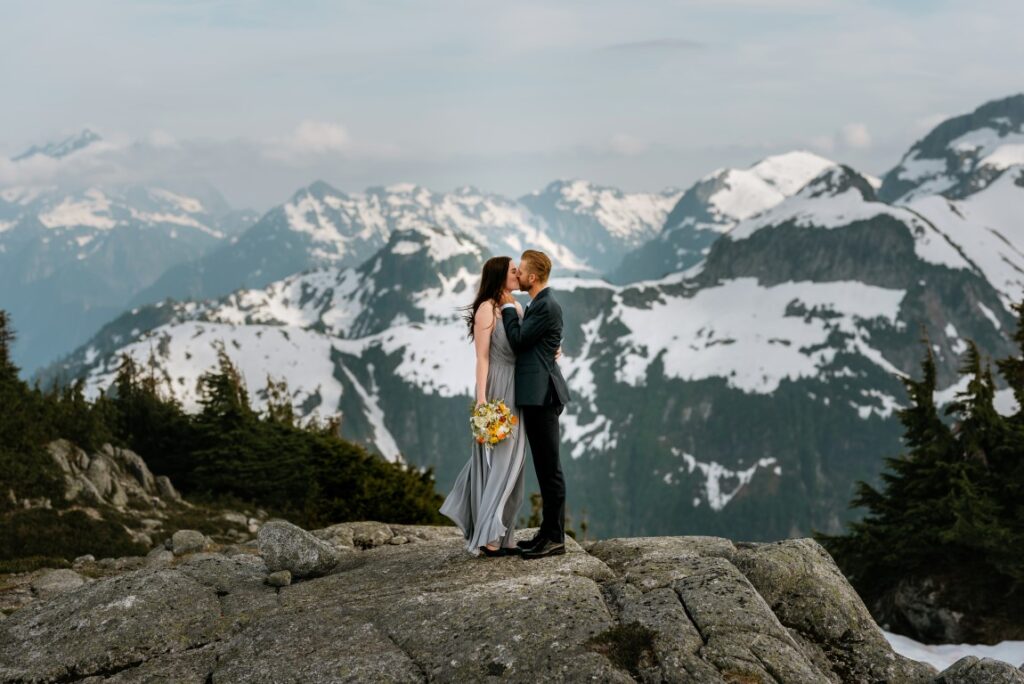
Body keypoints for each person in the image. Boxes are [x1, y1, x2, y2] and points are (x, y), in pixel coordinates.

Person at [439, 256, 528, 557]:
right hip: (499, 389)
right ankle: (490, 538)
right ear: (500, 276)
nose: (518, 273)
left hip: (519, 388)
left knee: (516, 465)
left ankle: (505, 535)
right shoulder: (487, 308)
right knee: (501, 463)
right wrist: (482, 400)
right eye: (513, 270)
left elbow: (525, 343)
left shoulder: (515, 306)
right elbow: (483, 358)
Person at [498, 249, 571, 560]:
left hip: (543, 396)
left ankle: (555, 537)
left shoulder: (544, 306)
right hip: (537, 393)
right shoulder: (541, 304)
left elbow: (518, 340)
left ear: (533, 277)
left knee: (550, 468)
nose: (519, 275)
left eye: (522, 271)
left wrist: (508, 308)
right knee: (544, 467)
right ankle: (547, 532)